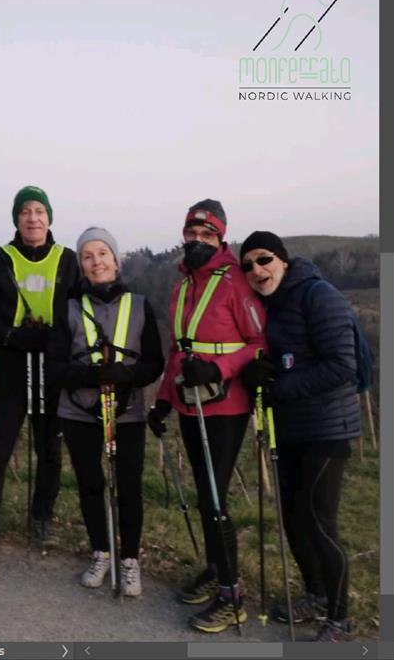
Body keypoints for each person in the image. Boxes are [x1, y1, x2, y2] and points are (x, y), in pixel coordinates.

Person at [147, 200, 265, 633]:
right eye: (191, 233)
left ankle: (233, 597)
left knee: (215, 500)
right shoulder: (183, 283)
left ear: (221, 237)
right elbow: (178, 349)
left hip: (226, 404)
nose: (197, 240)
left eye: (206, 234)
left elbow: (259, 342)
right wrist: (163, 399)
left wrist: (219, 369)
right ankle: (216, 569)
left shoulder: (236, 281)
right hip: (188, 400)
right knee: (203, 494)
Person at [239, 231, 360, 642]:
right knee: (292, 517)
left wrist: (279, 386)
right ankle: (316, 594)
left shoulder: (318, 295)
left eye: (264, 259)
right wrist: (256, 372)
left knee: (319, 520)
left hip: (328, 427)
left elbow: (341, 365)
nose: (257, 269)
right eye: (248, 265)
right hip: (288, 427)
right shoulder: (269, 305)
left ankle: (340, 618)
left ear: (284, 260)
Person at [0, 186, 79, 576]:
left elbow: (81, 312)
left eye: (39, 211)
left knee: (50, 450)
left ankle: (42, 516)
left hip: (54, 366)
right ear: (16, 219)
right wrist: (13, 337)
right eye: (25, 212)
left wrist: (58, 340)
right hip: (12, 367)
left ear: (49, 218)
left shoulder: (68, 260)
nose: (33, 218)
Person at [47, 227, 164, 596]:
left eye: (102, 253)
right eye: (87, 256)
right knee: (90, 484)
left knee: (128, 486)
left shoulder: (140, 305)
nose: (96, 262)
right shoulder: (67, 307)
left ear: (115, 259)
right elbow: (55, 368)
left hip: (127, 413)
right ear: (81, 264)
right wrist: (90, 376)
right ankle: (101, 551)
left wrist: (126, 375)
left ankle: (129, 559)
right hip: (79, 411)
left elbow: (155, 363)